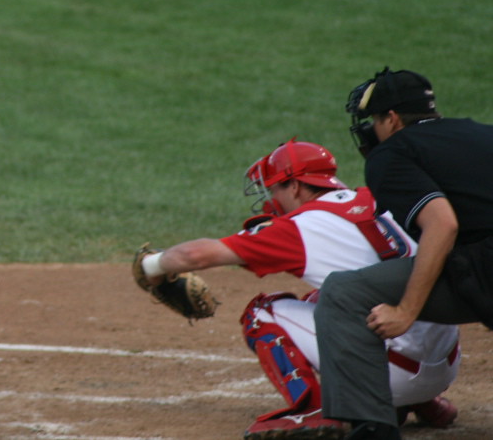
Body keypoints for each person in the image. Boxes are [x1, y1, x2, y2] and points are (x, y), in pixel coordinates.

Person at [135, 139, 459, 440]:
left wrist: (152, 266)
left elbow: (195, 255)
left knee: (262, 313)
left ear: (295, 185)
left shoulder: (298, 227)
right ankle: (426, 402)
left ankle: (314, 411)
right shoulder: (376, 198)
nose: (271, 198)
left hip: (392, 374)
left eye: (275, 188)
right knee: (329, 298)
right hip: (445, 364)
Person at [316, 67, 493, 439]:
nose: (368, 129)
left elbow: (442, 224)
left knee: (344, 293)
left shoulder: (392, 153)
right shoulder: (482, 133)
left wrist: (405, 311)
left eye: (372, 120)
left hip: (484, 269)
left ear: (392, 119)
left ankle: (373, 428)